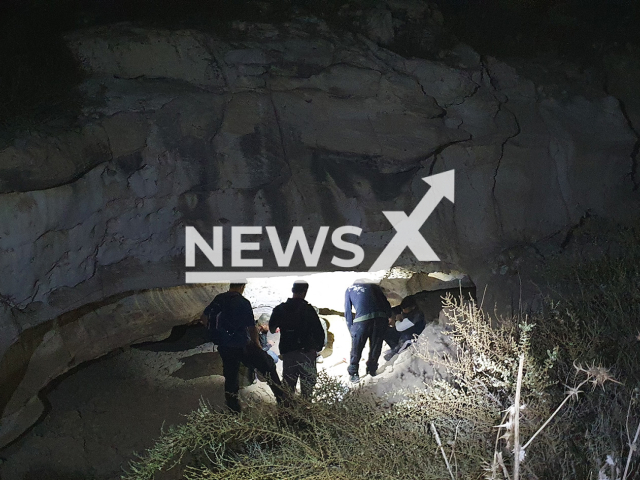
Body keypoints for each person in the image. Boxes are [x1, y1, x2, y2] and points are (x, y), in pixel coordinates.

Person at [201, 283, 284, 413]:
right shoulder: (242, 302)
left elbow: (204, 317)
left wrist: (217, 333)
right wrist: (257, 347)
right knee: (268, 365)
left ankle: (234, 410)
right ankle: (283, 401)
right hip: (241, 345)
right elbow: (251, 328)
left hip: (225, 346)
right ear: (242, 287)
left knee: (231, 377)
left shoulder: (219, 298)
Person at [269, 280, 325, 399]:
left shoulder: (280, 309)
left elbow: (272, 328)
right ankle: (304, 414)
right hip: (307, 353)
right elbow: (319, 332)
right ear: (305, 292)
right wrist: (317, 349)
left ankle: (287, 415)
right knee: (307, 390)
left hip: (289, 353)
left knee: (288, 389)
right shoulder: (309, 310)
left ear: (292, 290)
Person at [344, 279, 392, 383]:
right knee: (376, 346)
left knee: (357, 348)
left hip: (361, 321)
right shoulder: (374, 287)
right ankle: (372, 370)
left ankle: (354, 373)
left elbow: (348, 311)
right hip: (380, 318)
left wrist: (351, 329)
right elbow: (385, 303)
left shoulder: (350, 289)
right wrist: (388, 316)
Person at [383, 296, 426, 361]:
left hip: (412, 334)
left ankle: (396, 352)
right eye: (402, 308)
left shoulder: (417, 315)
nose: (403, 310)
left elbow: (399, 328)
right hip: (404, 332)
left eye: (405, 309)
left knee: (405, 339)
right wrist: (391, 317)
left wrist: (397, 320)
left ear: (413, 307)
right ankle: (394, 347)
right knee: (385, 332)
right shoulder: (406, 310)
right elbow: (393, 311)